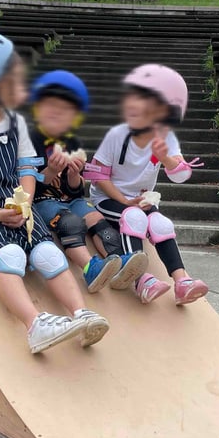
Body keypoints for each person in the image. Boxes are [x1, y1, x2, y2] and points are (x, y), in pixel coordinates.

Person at [0, 30, 109, 355]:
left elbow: (27, 169)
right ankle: (34, 326)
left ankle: (81, 314)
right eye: (13, 74)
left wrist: (25, 204)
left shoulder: (16, 121)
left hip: (18, 203)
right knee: (10, 255)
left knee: (48, 253)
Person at [85, 64, 210, 305]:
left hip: (140, 200)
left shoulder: (165, 138)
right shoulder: (116, 135)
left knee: (161, 223)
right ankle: (140, 280)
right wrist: (124, 201)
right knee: (134, 217)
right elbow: (97, 177)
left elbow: (181, 175)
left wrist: (164, 157)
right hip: (109, 198)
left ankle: (182, 282)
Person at [29, 70, 148, 292]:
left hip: (70, 200)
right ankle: (89, 269)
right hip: (42, 201)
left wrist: (74, 175)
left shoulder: (72, 141)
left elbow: (75, 192)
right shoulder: (29, 140)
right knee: (71, 222)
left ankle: (120, 262)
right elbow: (28, 187)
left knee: (96, 217)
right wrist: (51, 171)